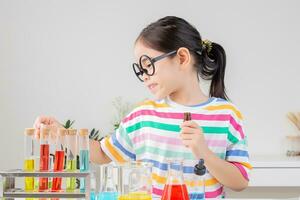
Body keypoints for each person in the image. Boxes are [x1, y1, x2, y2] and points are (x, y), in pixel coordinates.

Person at [34, 16, 251, 198]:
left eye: (148, 65)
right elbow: (102, 153)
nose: (145, 76)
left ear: (182, 58)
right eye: (140, 69)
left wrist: (204, 152)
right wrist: (62, 133)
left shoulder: (227, 115)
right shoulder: (143, 115)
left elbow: (240, 181)